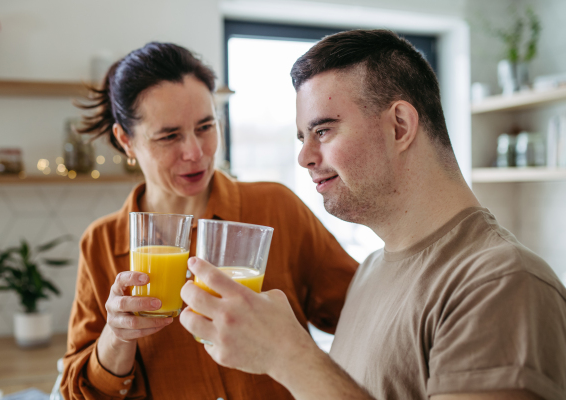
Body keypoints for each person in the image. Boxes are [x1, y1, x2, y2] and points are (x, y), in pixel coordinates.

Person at [180, 30, 566, 400]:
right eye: (303, 137)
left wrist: (288, 356)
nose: (305, 157)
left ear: (400, 126)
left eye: (324, 131)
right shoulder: (369, 271)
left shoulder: (500, 283)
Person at [60, 42, 358, 400]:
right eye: (169, 136)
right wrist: (117, 336)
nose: (196, 152)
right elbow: (79, 392)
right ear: (126, 140)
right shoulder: (102, 243)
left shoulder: (275, 208)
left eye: (205, 126)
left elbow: (362, 317)